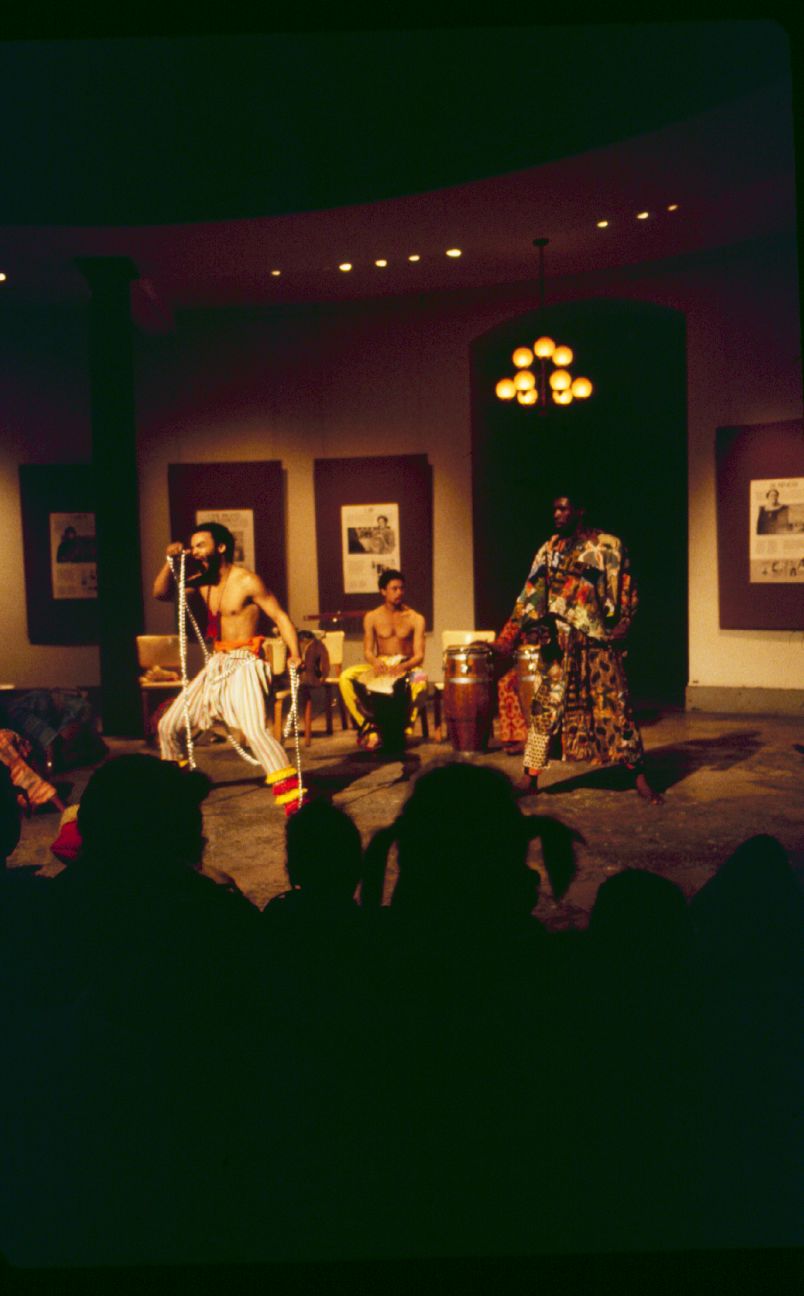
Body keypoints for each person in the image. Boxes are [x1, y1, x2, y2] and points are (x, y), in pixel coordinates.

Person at [509, 495, 662, 803]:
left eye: (563, 508)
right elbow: (531, 592)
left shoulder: (608, 547)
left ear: (580, 511)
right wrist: (531, 629)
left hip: (597, 638)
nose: (557, 514)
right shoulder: (549, 549)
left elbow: (627, 586)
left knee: (617, 706)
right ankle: (530, 776)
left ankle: (639, 775)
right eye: (554, 508)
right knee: (545, 706)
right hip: (559, 641)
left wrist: (625, 622)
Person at [153, 523, 306, 812]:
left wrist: (295, 654)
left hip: (246, 662)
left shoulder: (247, 581)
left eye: (201, 545)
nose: (194, 551)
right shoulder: (201, 580)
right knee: (168, 726)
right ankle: (177, 789)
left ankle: (295, 801)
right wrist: (168, 561)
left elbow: (281, 617)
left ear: (221, 547)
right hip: (218, 662)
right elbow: (160, 593)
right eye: (192, 546)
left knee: (254, 731)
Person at [338, 569, 426, 751]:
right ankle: (369, 727)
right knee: (345, 677)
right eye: (394, 589)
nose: (399, 592)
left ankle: (404, 727)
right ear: (383, 591)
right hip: (382, 664)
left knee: (421, 680)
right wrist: (375, 662)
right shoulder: (372, 617)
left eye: (401, 588)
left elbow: (419, 656)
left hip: (407, 665)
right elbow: (368, 651)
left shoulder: (416, 618)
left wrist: (404, 666)